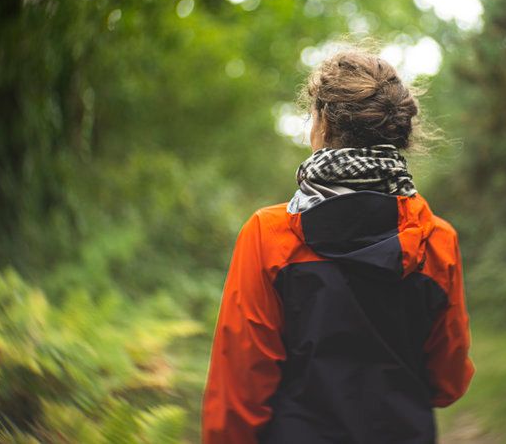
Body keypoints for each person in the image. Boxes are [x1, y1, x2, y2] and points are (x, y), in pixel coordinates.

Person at [201, 49, 475, 444]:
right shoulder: (437, 240)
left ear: (324, 122)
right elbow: (447, 384)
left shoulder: (269, 234)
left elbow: (238, 395)